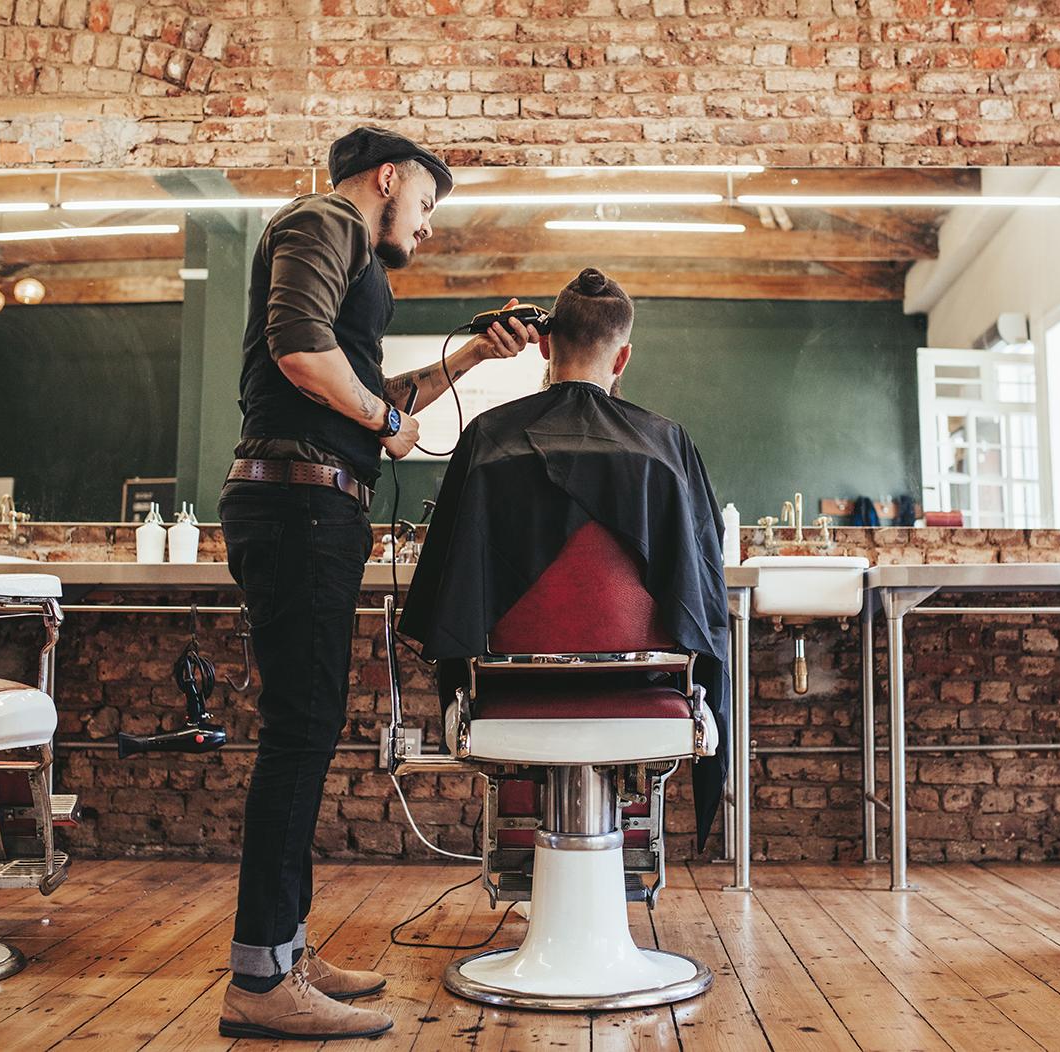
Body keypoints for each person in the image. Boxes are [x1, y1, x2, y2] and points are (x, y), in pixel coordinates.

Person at [217, 126, 540, 1042]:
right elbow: (300, 356)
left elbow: (368, 391)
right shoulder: (325, 221)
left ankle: (281, 950)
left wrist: (472, 357)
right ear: (387, 179)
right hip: (297, 508)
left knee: (307, 731)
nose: (428, 227)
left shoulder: (348, 254)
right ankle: (258, 980)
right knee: (298, 735)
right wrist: (381, 419)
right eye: (428, 205)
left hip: (314, 505)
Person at [399, 267, 731, 850]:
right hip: (641, 685)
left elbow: (451, 589)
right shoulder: (667, 445)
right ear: (623, 357)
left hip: (510, 684)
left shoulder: (487, 439)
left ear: (545, 343)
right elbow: (700, 587)